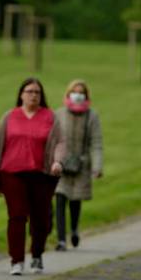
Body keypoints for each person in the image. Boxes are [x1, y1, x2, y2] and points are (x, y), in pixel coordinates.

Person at [0, 78, 65, 276]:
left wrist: (57, 161)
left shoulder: (50, 116)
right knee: (16, 216)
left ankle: (37, 255)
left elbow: (60, 142)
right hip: (12, 173)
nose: (33, 95)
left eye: (37, 92)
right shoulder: (10, 116)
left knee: (40, 218)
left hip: (41, 174)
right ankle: (16, 260)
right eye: (29, 91)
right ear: (21, 94)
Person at [53, 79, 104, 251]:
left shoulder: (91, 116)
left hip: (81, 165)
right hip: (61, 164)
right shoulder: (59, 114)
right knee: (60, 198)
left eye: (81, 92)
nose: (78, 95)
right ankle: (61, 239)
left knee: (75, 199)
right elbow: (52, 140)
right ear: (68, 94)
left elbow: (96, 143)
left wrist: (97, 166)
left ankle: (74, 229)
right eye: (75, 91)